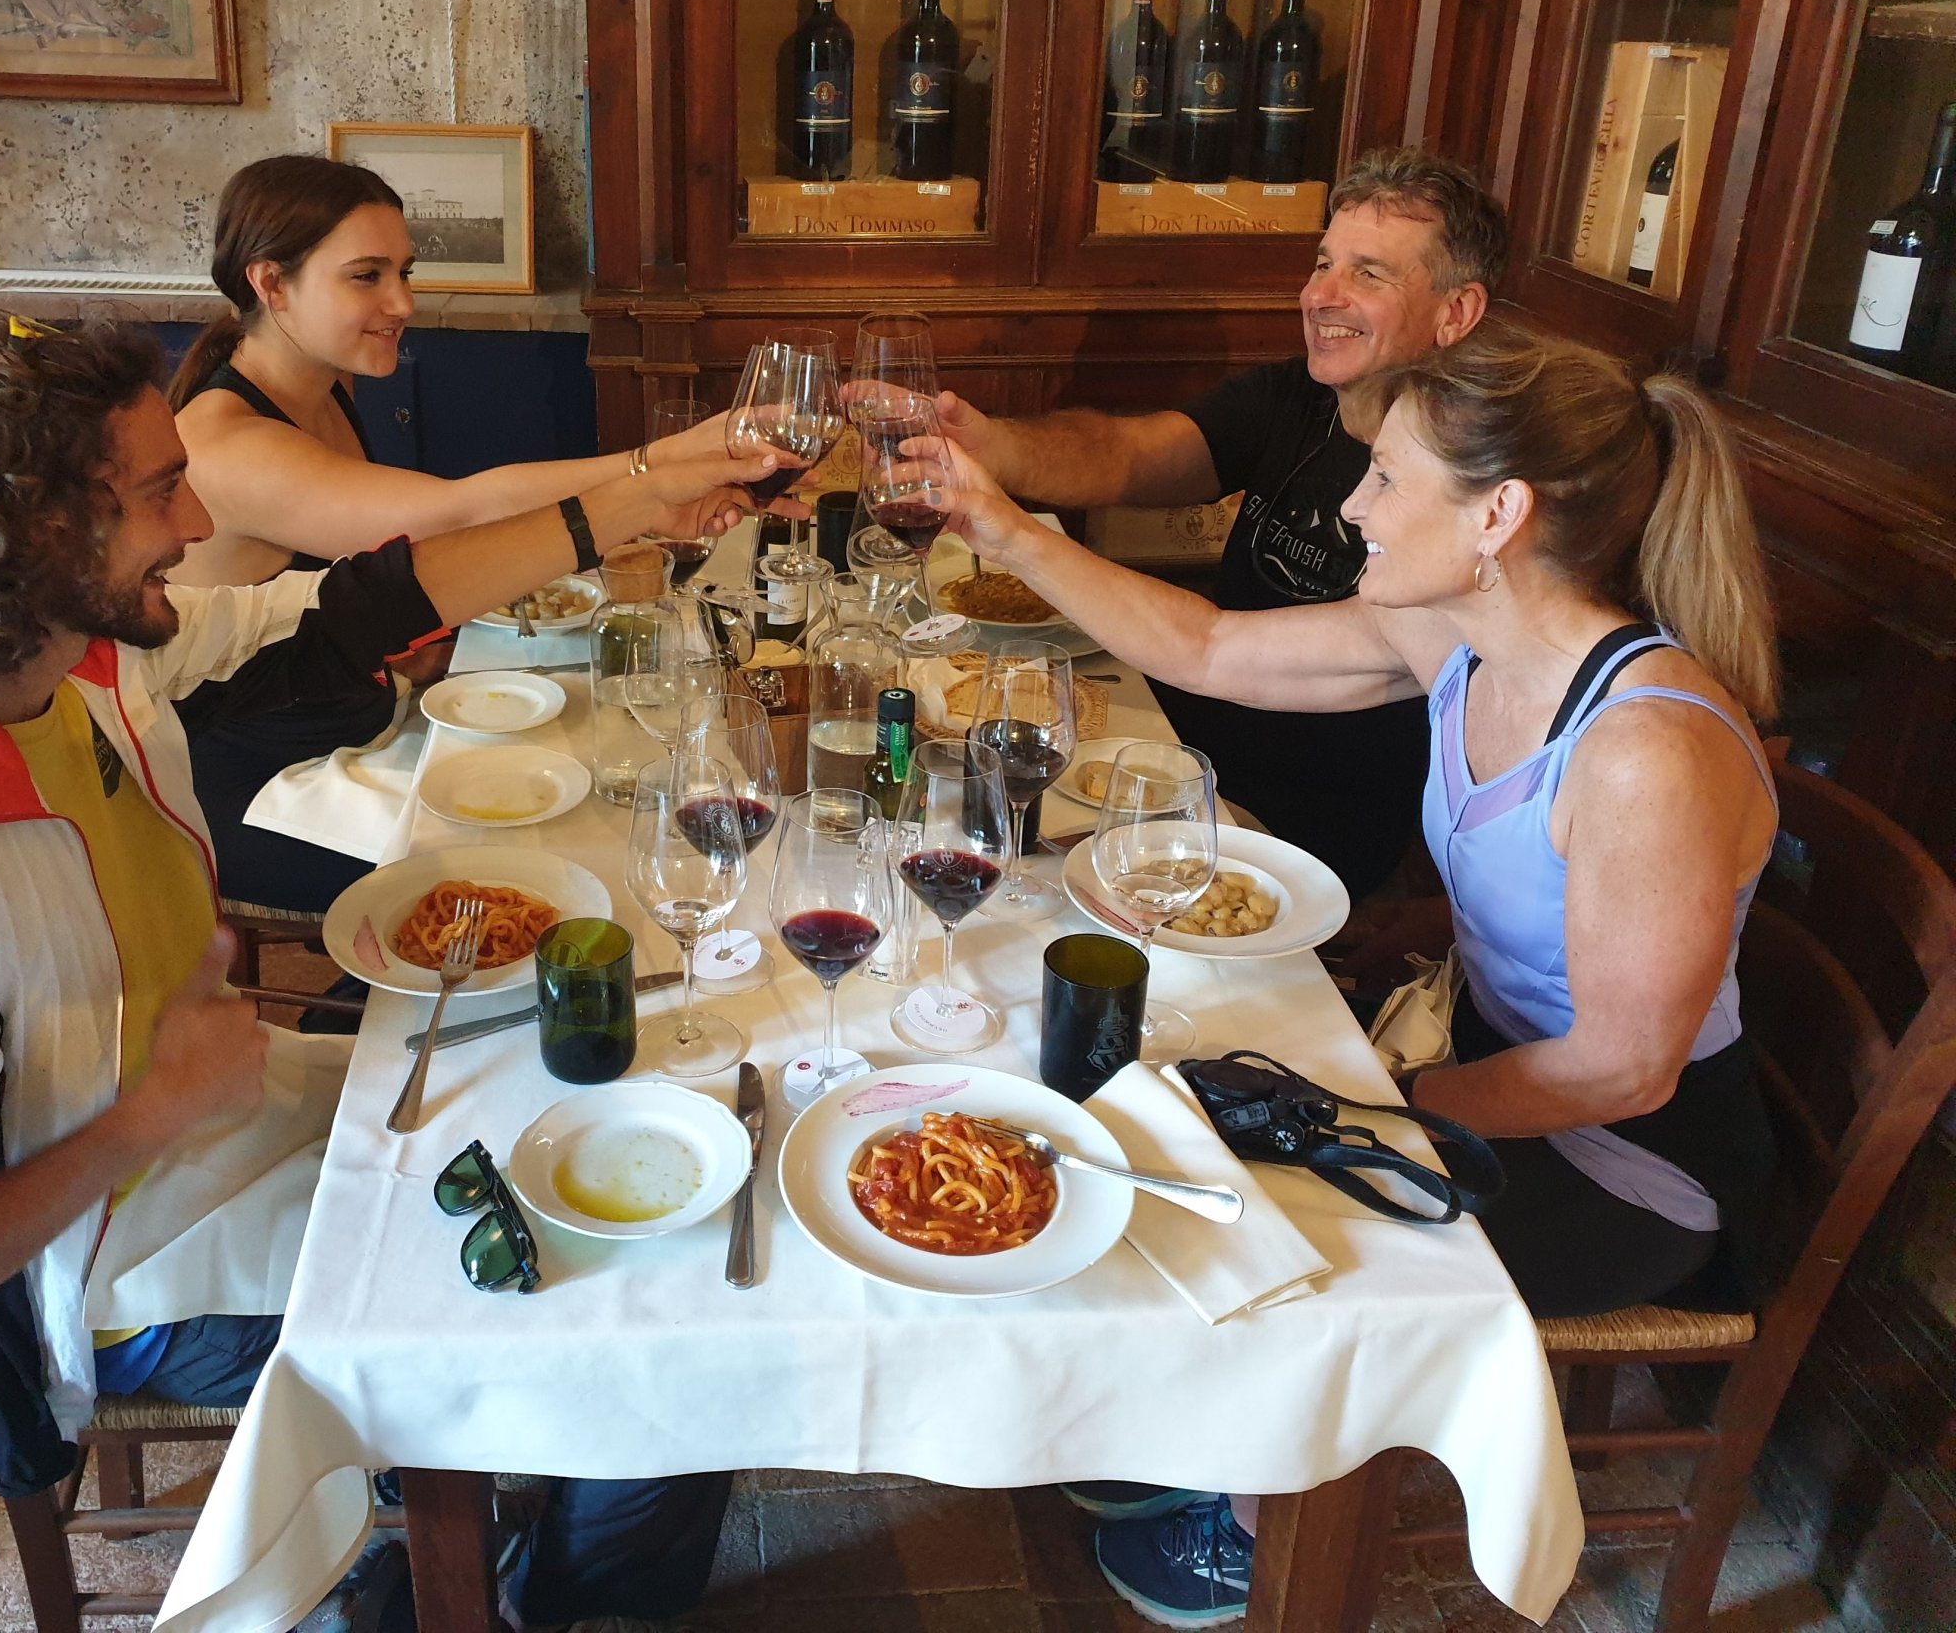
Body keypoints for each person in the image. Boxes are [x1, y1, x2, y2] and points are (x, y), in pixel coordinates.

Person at [0, 311, 753, 1628]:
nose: (190, 521)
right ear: (35, 532)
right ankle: (541, 1598)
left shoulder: (90, 666)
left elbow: (360, 607)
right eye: (158, 490)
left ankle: (519, 1582)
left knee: (651, 1175)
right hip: (137, 1276)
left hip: (260, 1121)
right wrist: (148, 1113)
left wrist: (637, 500)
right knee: (651, 1326)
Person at [929, 319, 1779, 1626]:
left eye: (1385, 477)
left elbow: (1627, 1061)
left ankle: (1266, 1532)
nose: (1352, 502)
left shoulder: (1645, 748)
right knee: (1172, 1102)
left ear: (1498, 514)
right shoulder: (1462, 641)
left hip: (1636, 1165)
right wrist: (1005, 527)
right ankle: (1205, 1423)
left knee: (1297, 1217)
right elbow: (1206, 648)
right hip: (1499, 1071)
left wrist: (1380, 1107)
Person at [165, 155, 775, 917]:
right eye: (367, 276)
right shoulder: (230, 444)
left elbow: (344, 587)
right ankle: (377, 1019)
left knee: (579, 800)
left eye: (404, 271)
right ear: (270, 284)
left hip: (353, 730)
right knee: (528, 882)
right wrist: (664, 465)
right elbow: (456, 512)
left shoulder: (321, 389)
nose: (403, 301)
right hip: (256, 790)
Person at [934, 147, 1508, 902]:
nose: (1320, 295)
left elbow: (1211, 649)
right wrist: (997, 449)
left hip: (1310, 860)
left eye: (1368, 274)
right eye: (1321, 263)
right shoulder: (1300, 397)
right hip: (1185, 782)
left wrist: (1009, 531)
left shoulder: (1473, 500)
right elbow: (1129, 457)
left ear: (1456, 312)